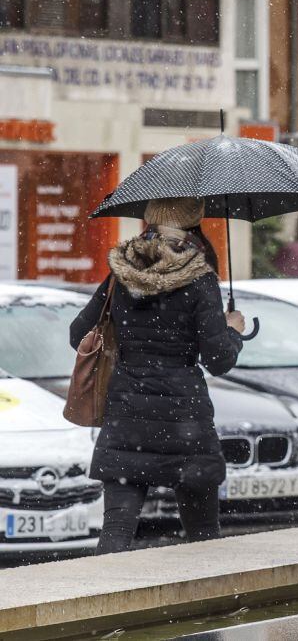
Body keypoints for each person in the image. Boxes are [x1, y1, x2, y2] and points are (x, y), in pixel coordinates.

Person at [70, 197, 245, 554]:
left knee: (116, 535)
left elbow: (79, 334)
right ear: (195, 223)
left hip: (126, 417)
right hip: (185, 420)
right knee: (203, 539)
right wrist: (233, 330)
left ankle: (105, 602)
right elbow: (218, 359)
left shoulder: (121, 273)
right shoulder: (200, 279)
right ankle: (205, 606)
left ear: (147, 219)